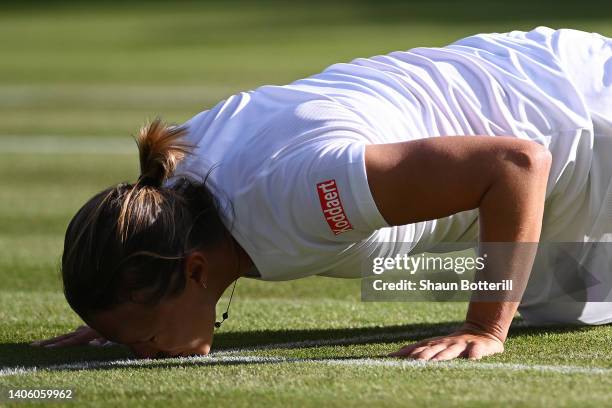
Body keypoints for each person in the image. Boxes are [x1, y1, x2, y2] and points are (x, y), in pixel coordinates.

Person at [31, 26, 612, 361]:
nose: (141, 355)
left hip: (580, 124)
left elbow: (516, 164)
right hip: (536, 77)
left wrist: (485, 328)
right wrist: (124, 313)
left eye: (148, 339)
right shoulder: (175, 182)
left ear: (197, 269)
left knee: (558, 300)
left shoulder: (303, 193)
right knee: (567, 292)